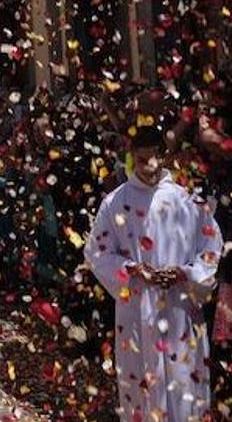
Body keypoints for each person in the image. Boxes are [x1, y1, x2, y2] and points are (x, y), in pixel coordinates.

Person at [84, 123, 224, 422]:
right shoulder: (115, 202)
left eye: (154, 157)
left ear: (163, 157)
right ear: (132, 156)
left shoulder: (187, 201)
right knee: (141, 383)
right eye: (142, 157)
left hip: (179, 307)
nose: (149, 165)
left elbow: (212, 246)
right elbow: (96, 252)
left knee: (183, 379)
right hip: (137, 306)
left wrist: (186, 274)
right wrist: (132, 270)